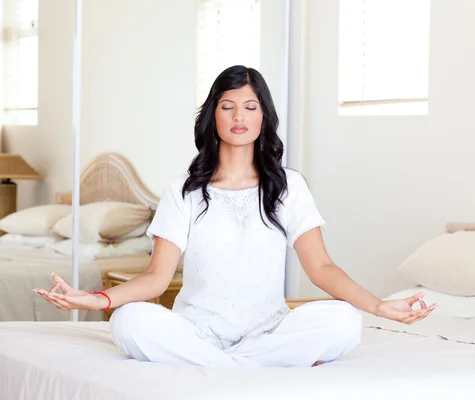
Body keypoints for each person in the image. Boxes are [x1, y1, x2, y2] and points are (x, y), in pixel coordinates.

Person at [34, 65, 436, 368]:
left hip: (268, 329)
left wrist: (378, 306)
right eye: (228, 106)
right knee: (129, 321)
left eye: (250, 106)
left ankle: (224, 369)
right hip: (195, 332)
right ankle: (252, 369)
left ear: (264, 118)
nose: (239, 116)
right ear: (214, 116)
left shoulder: (289, 186)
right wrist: (97, 299)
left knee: (344, 321)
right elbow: (157, 278)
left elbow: (322, 267)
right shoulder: (185, 189)